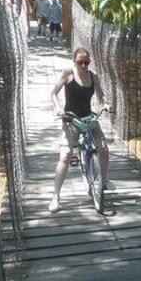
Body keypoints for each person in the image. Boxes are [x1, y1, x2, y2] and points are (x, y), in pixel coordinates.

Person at [49, 48, 110, 212]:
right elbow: (54, 93)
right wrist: (58, 108)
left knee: (103, 149)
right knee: (66, 156)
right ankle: (56, 196)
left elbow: (101, 95)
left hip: (89, 118)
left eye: (87, 62)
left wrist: (105, 103)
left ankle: (101, 182)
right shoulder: (68, 74)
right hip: (71, 119)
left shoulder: (93, 76)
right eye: (80, 62)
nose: (84, 65)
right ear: (73, 61)